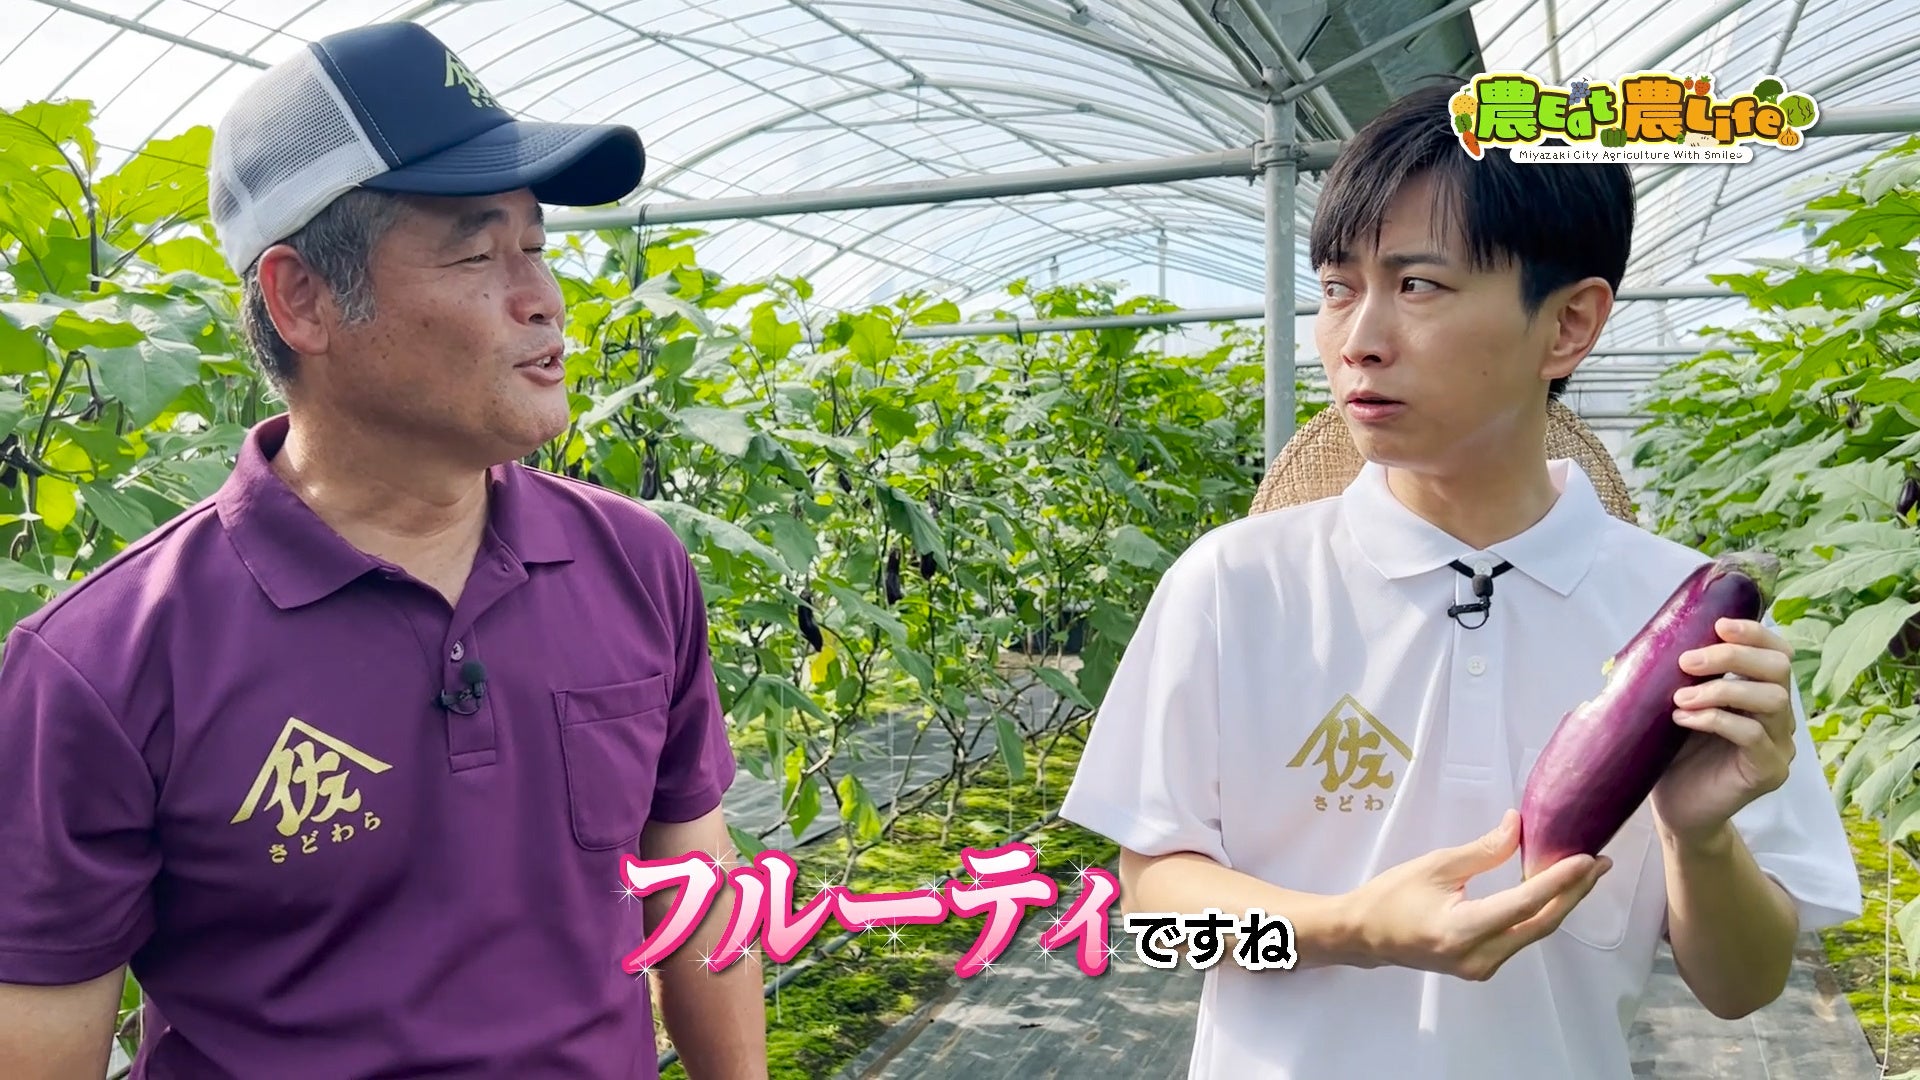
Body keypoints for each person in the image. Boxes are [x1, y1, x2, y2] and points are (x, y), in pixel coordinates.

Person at [0, 21, 765, 1080]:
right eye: (476, 252)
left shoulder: (636, 565)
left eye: (537, 245)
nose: (542, 297)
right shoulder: (100, 664)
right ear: (302, 298)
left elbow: (698, 888)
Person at [1059, 80, 1862, 1079]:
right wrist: (1354, 929)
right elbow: (1156, 917)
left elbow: (1741, 990)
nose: (1358, 338)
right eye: (1339, 287)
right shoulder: (1233, 586)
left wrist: (1698, 838)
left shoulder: (1691, 630)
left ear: (1568, 326)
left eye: (1419, 285)